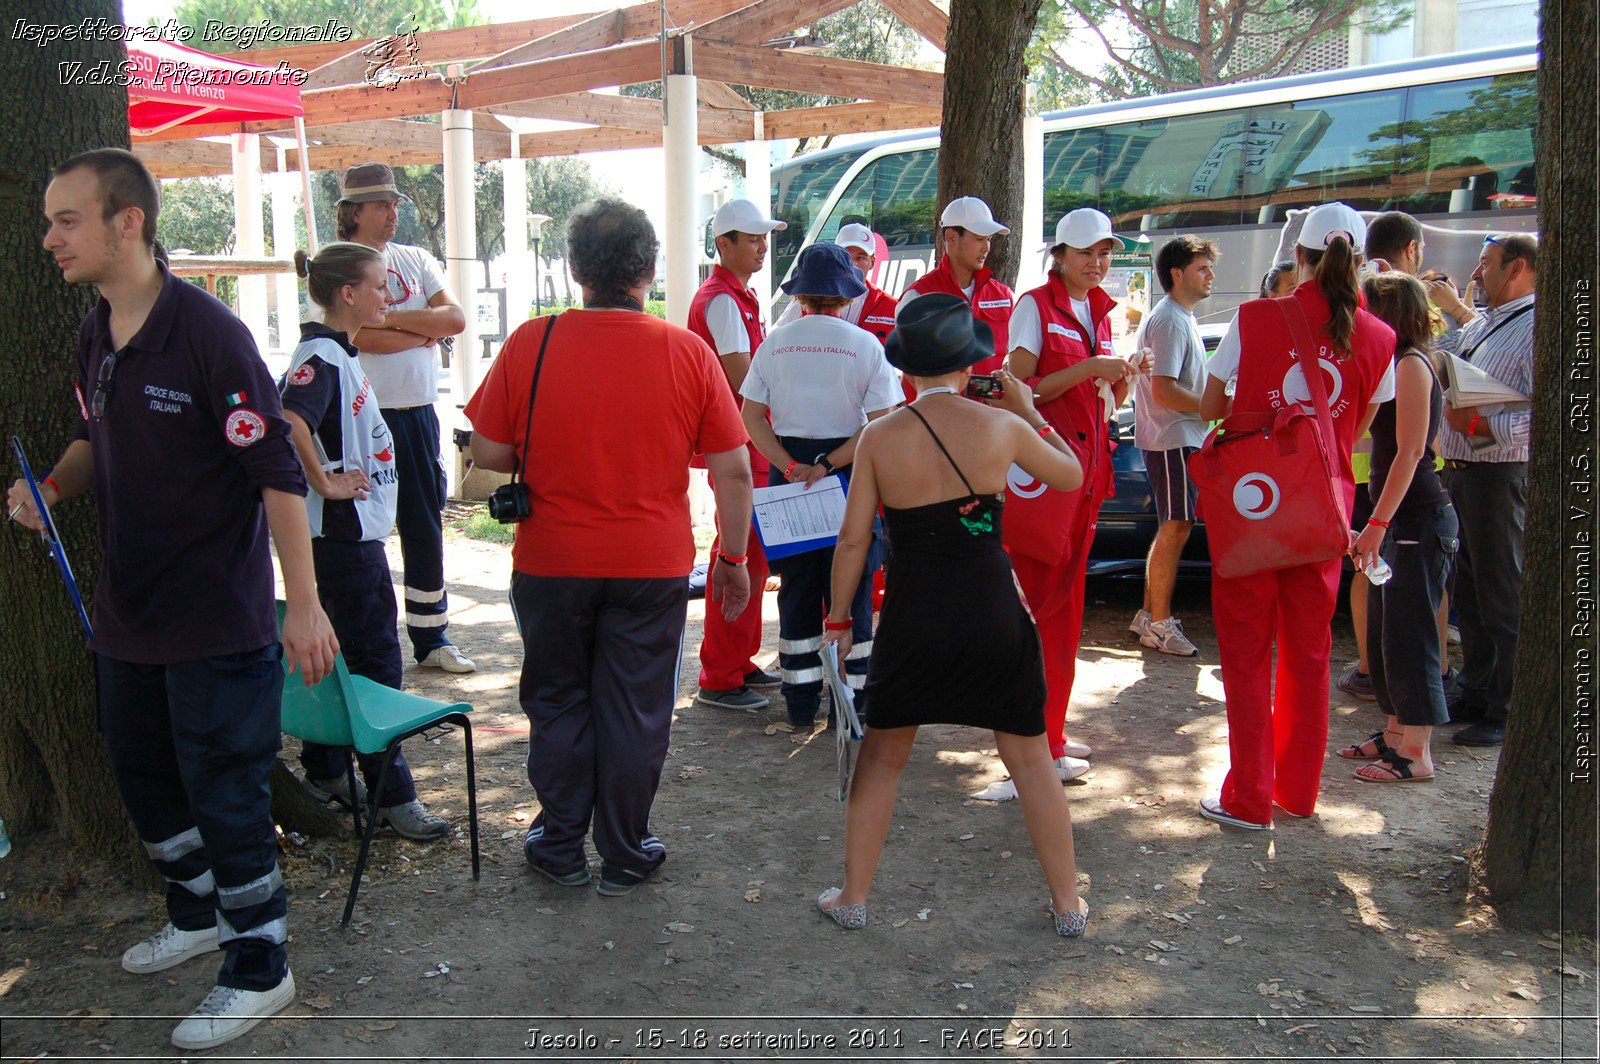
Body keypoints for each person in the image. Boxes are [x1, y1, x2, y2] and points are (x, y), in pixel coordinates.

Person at [10, 148, 337, 1049]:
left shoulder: (209, 334)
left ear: (129, 222)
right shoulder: (94, 329)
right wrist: (55, 489)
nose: (48, 239)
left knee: (226, 790)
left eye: (66, 220)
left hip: (214, 620)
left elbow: (275, 476)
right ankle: (196, 915)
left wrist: (302, 604)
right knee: (143, 777)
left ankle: (260, 966)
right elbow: (91, 439)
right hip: (127, 614)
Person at [466, 198, 754, 896]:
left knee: (559, 701)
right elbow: (734, 469)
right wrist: (734, 559)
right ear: (649, 269)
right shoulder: (685, 351)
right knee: (636, 708)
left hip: (550, 561)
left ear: (576, 271)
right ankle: (627, 848)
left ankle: (560, 843)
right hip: (649, 565)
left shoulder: (530, 343)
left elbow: (488, 457)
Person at [815, 293, 1089, 936]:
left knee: (882, 756)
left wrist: (837, 618)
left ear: (906, 372)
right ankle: (1067, 906)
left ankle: (853, 895)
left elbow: (854, 541)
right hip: (993, 608)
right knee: (1028, 759)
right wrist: (1029, 412)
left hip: (915, 614)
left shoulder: (880, 437)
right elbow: (1071, 477)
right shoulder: (1003, 428)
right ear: (971, 366)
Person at [1196, 202, 1396, 829]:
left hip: (1255, 506)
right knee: (1309, 655)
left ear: (1300, 258)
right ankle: (1298, 793)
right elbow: (1359, 428)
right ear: (1359, 261)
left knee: (1247, 651)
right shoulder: (1382, 336)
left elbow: (1210, 407)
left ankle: (1248, 798)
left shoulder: (1254, 318)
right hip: (1324, 511)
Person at [279, 243, 453, 840]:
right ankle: (391, 795)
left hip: (354, 535)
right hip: (345, 540)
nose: (391, 296)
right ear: (347, 294)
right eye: (380, 286)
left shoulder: (338, 352)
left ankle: (327, 769)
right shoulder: (321, 356)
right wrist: (322, 479)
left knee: (341, 657)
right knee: (376, 662)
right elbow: (291, 419)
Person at [983, 208, 1142, 799]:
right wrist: (1088, 369)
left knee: (1067, 609)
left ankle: (1048, 735)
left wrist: (1117, 380)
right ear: (1060, 256)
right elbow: (1015, 388)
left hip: (1084, 475)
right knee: (1035, 605)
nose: (1097, 263)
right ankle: (1022, 746)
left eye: (1104, 253)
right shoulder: (1036, 306)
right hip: (1044, 478)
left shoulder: (1098, 311)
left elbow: (1088, 398)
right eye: (1086, 253)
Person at [739, 242, 901, 726]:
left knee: (796, 588)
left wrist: (791, 467)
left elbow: (751, 417)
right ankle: (851, 705)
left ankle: (800, 702)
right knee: (850, 592)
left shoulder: (775, 343)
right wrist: (828, 464)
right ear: (846, 297)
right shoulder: (865, 344)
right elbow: (880, 423)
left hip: (786, 475)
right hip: (849, 475)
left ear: (802, 297)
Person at [336, 163, 472, 674]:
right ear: (353, 211)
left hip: (416, 416)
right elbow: (358, 337)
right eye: (381, 205)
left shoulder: (416, 259)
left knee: (422, 523)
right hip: (360, 421)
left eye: (394, 204)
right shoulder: (338, 265)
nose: (393, 213)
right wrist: (423, 332)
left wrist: (387, 316)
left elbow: (454, 319)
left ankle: (431, 635)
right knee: (359, 529)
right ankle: (357, 637)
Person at [1337, 273, 1457, 782]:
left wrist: (1377, 524)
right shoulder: (1390, 366)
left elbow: (1410, 451)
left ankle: (1416, 751)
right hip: (1396, 520)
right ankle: (1393, 733)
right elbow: (1364, 437)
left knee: (1410, 636)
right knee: (1386, 634)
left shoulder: (1411, 365)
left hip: (1416, 520)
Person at [1424, 233, 1537, 747]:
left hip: (1499, 475)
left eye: (1486, 264)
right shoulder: (1490, 319)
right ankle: (1477, 689)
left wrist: (1480, 428)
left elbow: (1553, 414)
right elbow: (1439, 354)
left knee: (1500, 592)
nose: (1475, 274)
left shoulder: (1540, 325)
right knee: (1470, 592)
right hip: (1465, 472)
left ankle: (1509, 706)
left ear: (1517, 269)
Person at [689, 198, 787, 712]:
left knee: (750, 554)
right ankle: (721, 675)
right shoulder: (723, 300)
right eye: (751, 238)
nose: (761, 246)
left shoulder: (737, 296)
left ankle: (737, 660)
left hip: (747, 442)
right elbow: (743, 377)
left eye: (762, 237)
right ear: (722, 244)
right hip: (741, 446)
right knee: (737, 554)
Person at [1129, 235, 1217, 656]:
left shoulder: (1178, 316)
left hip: (1177, 438)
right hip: (1172, 439)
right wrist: (1219, 407)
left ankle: (1149, 616)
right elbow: (1164, 391)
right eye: (1202, 268)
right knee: (1176, 525)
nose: (1211, 276)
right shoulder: (1168, 319)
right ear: (1176, 274)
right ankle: (1159, 623)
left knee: (1173, 525)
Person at [896, 197, 1015, 376]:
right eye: (979, 239)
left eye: (989, 239)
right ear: (951, 237)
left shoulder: (1005, 296)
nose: (986, 248)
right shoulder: (918, 296)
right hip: (938, 404)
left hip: (991, 404)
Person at [773, 223, 899, 344]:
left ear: (873, 262)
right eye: (846, 257)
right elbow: (776, 339)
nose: (853, 264)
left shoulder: (890, 306)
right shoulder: (805, 300)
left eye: (860, 258)